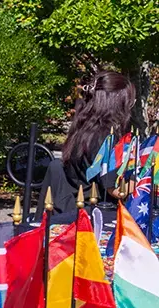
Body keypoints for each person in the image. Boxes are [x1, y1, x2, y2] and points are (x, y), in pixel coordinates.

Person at [34, 71, 135, 220]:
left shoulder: (83, 128)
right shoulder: (107, 138)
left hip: (72, 207)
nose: (132, 104)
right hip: (95, 215)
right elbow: (117, 191)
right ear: (117, 102)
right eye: (130, 100)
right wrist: (142, 172)